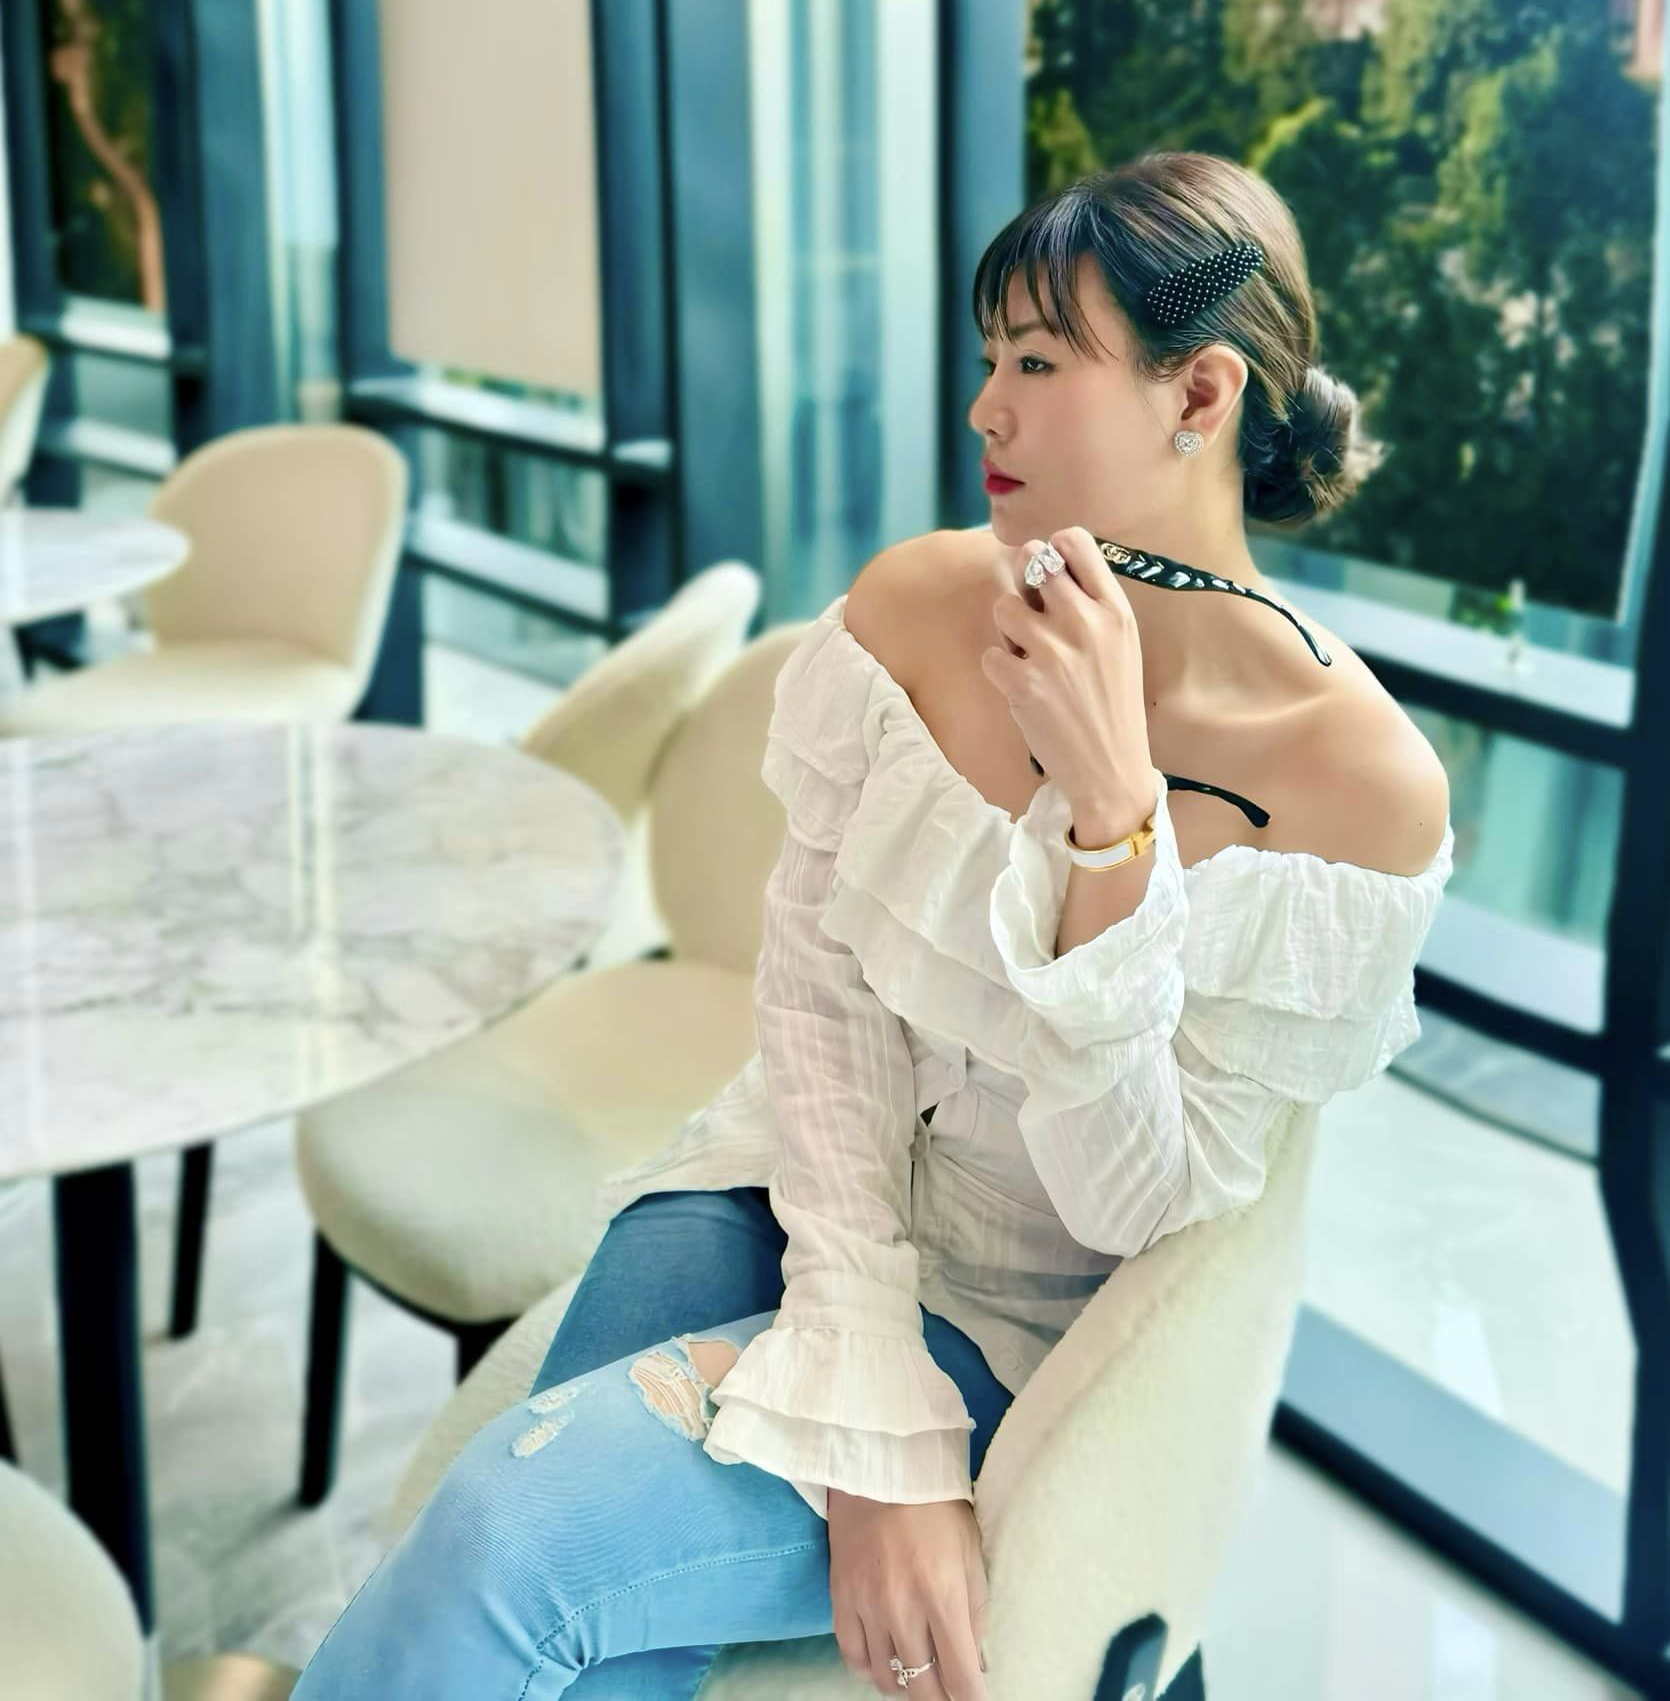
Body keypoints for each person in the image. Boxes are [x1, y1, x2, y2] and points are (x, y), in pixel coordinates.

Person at [291, 152, 1454, 1699]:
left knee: (509, 1534)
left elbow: (1126, 1208)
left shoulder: (1355, 786)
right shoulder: (916, 607)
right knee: (540, 1564)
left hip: (1016, 1316)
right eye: (989, 360)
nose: (983, 410)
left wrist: (1112, 825)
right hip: (781, 1182)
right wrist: (866, 1397)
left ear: (1197, 395)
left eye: (1035, 363)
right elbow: (818, 1004)